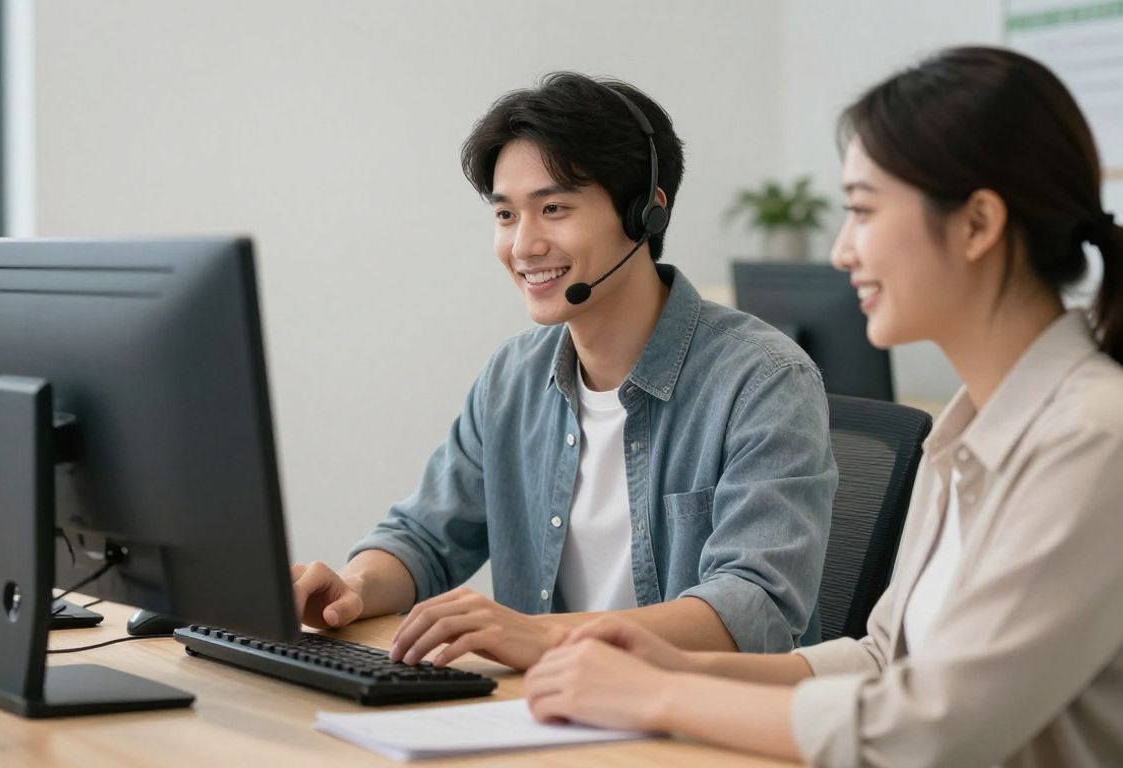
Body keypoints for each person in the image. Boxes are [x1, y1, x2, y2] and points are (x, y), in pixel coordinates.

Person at [524, 46, 1123, 766]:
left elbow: (927, 730)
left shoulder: (1095, 439)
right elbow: (884, 660)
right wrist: (673, 664)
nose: (841, 252)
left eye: (863, 212)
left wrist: (655, 699)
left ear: (977, 224)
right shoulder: (971, 430)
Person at [290, 72, 837, 670]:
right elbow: (423, 537)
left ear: (646, 214)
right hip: (545, 716)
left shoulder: (763, 380)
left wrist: (545, 637)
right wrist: (355, 588)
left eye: (553, 208)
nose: (523, 245)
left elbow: (753, 607)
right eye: (505, 216)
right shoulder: (514, 377)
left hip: (697, 728)